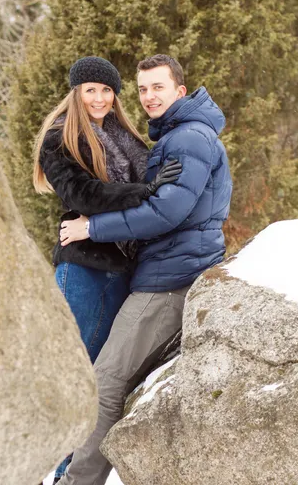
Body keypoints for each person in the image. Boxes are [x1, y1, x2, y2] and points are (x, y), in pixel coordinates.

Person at [57, 54, 233, 485]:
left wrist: (91, 227)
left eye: (158, 87)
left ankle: (76, 481)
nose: (150, 96)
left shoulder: (189, 138)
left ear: (180, 90)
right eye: (142, 89)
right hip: (165, 272)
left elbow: (167, 211)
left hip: (168, 281)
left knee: (106, 381)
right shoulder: (178, 135)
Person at [33, 56, 182, 483]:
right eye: (90, 90)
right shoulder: (61, 137)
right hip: (84, 270)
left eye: (107, 90)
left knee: (103, 380)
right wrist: (145, 191)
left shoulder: (123, 135)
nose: (99, 98)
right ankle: (62, 473)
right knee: (80, 378)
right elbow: (85, 194)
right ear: (76, 94)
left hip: (123, 271)